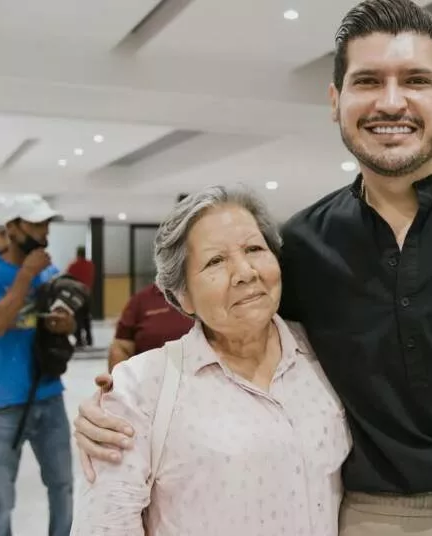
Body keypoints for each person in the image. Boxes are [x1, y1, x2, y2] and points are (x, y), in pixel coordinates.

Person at [73, 1, 432, 535]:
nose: (391, 103)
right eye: (367, 81)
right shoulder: (304, 244)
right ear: (335, 99)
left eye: (415, 80)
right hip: (378, 517)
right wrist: (124, 409)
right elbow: (245, 346)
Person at [71, 186, 352, 535]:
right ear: (182, 296)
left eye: (254, 249)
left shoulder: (326, 353)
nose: (245, 272)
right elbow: (105, 526)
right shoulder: (141, 388)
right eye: (215, 261)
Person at [0, 194, 76, 536]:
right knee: (1, 500)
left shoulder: (50, 272)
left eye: (46, 224)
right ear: (12, 228)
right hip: (3, 404)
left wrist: (66, 322)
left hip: (49, 394)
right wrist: (26, 274)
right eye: (35, 224)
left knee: (63, 486)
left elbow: (66, 319)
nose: (44, 232)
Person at [107, 282, 194, 371]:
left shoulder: (198, 296)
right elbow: (121, 348)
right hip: (150, 376)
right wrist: (117, 378)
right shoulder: (140, 301)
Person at [66, 245, 95, 347]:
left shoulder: (73, 265)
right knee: (86, 317)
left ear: (77, 254)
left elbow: (67, 279)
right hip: (87, 294)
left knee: (77, 318)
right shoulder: (90, 265)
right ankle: (89, 339)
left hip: (76, 295)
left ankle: (79, 340)